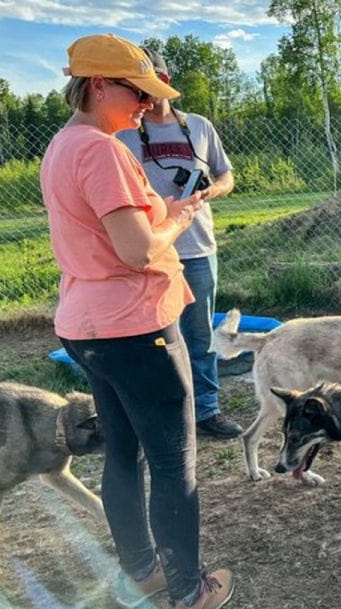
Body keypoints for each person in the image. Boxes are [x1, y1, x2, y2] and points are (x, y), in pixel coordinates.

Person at [41, 34, 234, 609]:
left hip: (88, 325)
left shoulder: (63, 144)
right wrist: (176, 218)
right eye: (139, 92)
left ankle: (140, 573)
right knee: (175, 464)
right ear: (99, 85)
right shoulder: (100, 151)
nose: (149, 105)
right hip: (135, 326)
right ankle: (188, 593)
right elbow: (135, 251)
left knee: (123, 453)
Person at [117, 49, 242, 440]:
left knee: (200, 335)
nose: (141, 95)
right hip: (151, 250)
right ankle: (162, 412)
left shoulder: (200, 127)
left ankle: (206, 410)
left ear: (164, 82)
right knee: (152, 335)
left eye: (146, 84)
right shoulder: (123, 133)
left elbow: (226, 174)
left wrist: (210, 192)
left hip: (198, 247)